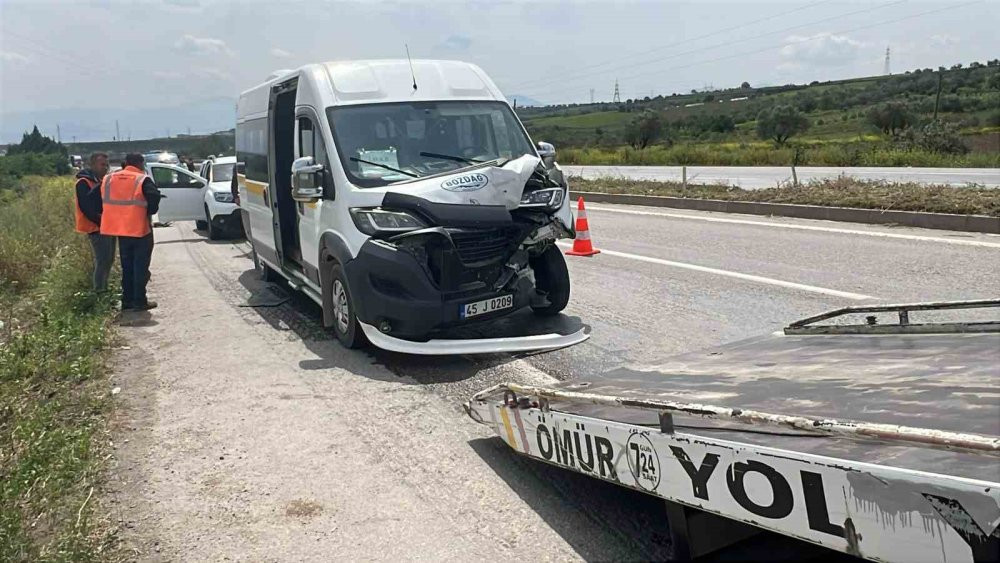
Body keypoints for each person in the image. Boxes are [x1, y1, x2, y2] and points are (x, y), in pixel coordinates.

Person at [99, 153, 161, 311]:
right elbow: (154, 196)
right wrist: (149, 211)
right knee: (140, 266)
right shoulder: (142, 179)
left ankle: (127, 301)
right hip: (140, 230)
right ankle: (140, 301)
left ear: (125, 163)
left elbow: (93, 197)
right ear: (140, 163)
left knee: (127, 266)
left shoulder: (109, 179)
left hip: (120, 230)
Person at [74, 152, 114, 292]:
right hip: (96, 228)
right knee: (102, 261)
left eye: (107, 165)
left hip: (107, 226)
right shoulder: (83, 183)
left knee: (109, 260)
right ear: (92, 165)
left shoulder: (99, 181)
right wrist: (102, 222)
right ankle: (99, 292)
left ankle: (104, 289)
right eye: (102, 164)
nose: (106, 167)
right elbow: (87, 209)